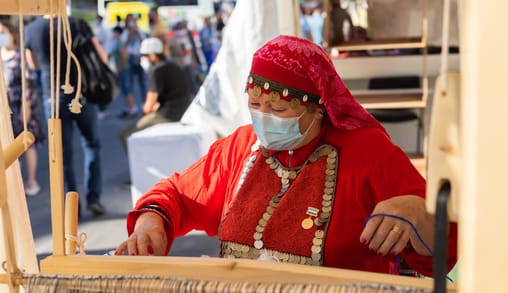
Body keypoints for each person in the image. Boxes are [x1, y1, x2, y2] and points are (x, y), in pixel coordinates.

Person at [116, 35, 458, 277]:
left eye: (277, 107)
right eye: (255, 105)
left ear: (318, 108)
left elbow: (445, 249)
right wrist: (151, 223)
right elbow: (177, 193)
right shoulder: (241, 146)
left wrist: (419, 212)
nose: (263, 116)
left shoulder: (368, 153)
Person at [25, 16, 107, 216]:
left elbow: (33, 64)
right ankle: (93, 197)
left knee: (63, 155)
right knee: (92, 145)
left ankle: (72, 206)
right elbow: (101, 56)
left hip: (53, 97)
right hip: (82, 94)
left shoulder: (32, 29)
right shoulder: (77, 24)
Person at [119, 37, 190, 152]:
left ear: (152, 55)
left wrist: (145, 113)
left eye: (144, 56)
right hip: (183, 110)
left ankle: (141, 166)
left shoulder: (156, 71)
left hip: (168, 115)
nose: (142, 59)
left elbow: (148, 107)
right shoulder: (173, 66)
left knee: (126, 136)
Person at [0, 19, 45, 196]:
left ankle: (32, 181)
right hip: (4, 107)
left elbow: (29, 83)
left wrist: (25, 107)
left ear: (12, 34)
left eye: (3, 32)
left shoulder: (20, 57)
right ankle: (11, 182)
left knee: (26, 142)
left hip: (21, 104)